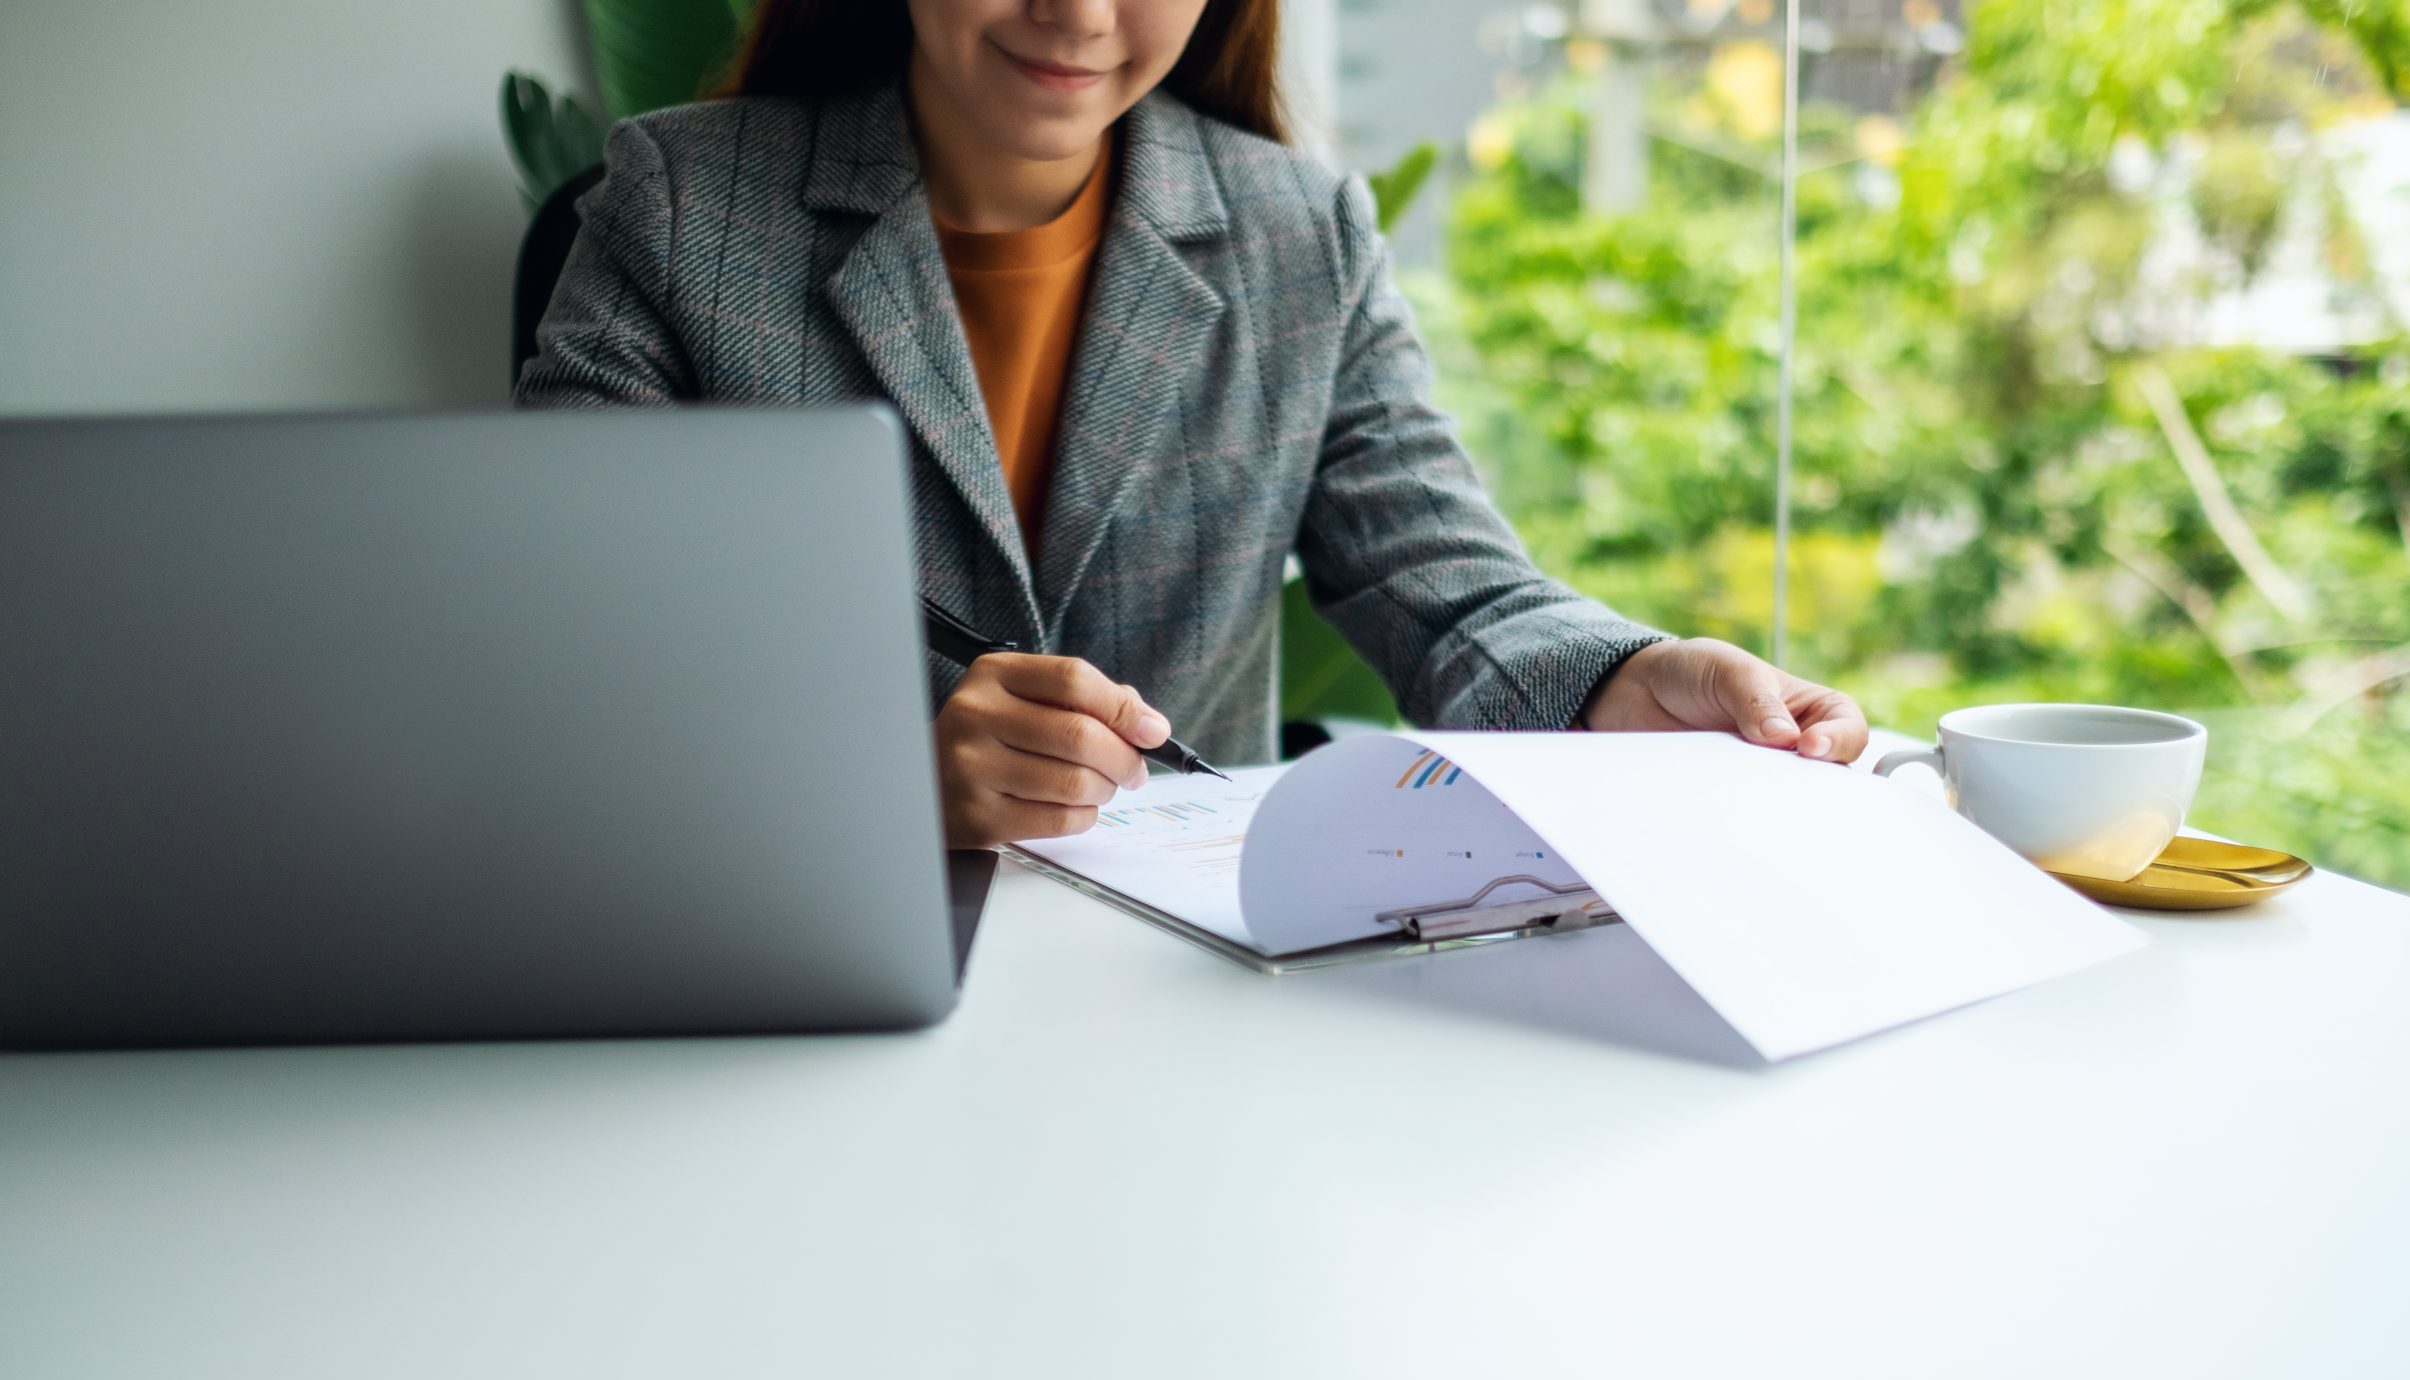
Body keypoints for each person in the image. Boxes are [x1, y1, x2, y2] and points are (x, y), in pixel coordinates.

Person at [517, 0, 1869, 849]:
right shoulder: (681, 208)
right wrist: (879, 775)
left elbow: (1447, 589)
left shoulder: (1299, 233)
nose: (1081, 14)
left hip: (1193, 992)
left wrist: (1627, 679)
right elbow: (556, 649)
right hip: (806, 948)